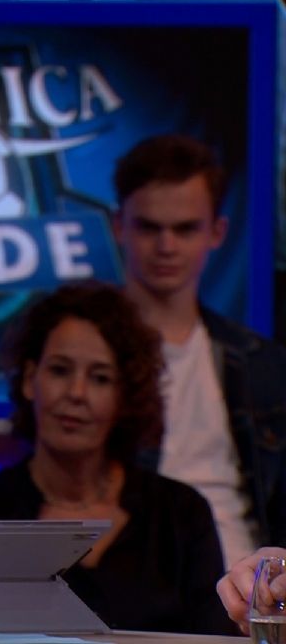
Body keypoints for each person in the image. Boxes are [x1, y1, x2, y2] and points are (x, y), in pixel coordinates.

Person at [0, 281, 235, 635]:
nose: (76, 393)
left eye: (100, 378)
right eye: (60, 370)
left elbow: (215, 638)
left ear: (124, 396)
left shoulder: (180, 514)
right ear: (30, 379)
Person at [113, 134, 286, 570]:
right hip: (130, 584)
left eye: (185, 228)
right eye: (149, 227)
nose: (166, 247)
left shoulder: (259, 363)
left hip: (244, 586)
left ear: (217, 232)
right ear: (119, 226)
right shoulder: (88, 363)